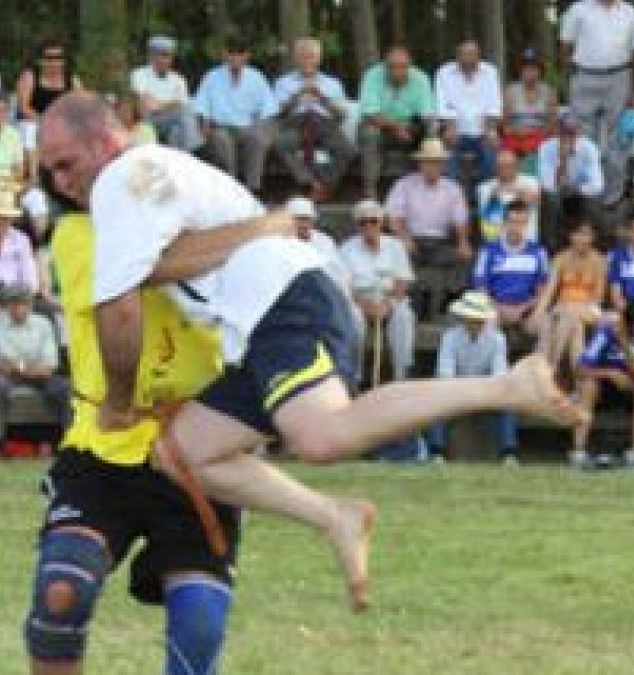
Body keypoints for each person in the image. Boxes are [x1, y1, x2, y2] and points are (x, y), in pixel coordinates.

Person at [38, 92, 580, 537]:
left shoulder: (120, 179)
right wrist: (264, 226)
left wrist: (116, 401)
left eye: (67, 164)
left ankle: (507, 385)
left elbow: (119, 311)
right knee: (186, 450)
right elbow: (175, 262)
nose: (61, 183)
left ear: (104, 140)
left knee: (322, 435)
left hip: (283, 297)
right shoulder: (156, 172)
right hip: (261, 314)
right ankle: (335, 518)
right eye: (51, 173)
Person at [23, 211, 375, 674]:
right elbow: (132, 280)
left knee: (200, 626)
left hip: (195, 447)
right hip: (105, 447)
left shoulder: (211, 225)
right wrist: (265, 227)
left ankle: (334, 516)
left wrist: (267, 235)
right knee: (62, 590)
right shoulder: (80, 231)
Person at [559, 0, 634, 205]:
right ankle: (587, 195)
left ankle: (613, 198)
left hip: (620, 77)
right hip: (584, 76)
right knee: (582, 140)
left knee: (619, 140)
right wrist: (572, 78)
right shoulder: (578, 9)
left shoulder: (631, 13)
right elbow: (565, 47)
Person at [428, 291, 519, 465]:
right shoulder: (450, 337)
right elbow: (445, 374)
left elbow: (500, 374)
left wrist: (483, 393)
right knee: (436, 398)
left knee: (508, 401)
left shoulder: (498, 339)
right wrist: (463, 393)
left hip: (487, 391)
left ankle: (508, 453)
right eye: (471, 318)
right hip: (455, 390)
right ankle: (437, 451)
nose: (475, 322)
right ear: (463, 318)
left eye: (478, 319)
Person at [572, 300, 634, 468]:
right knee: (587, 385)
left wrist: (624, 344)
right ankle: (578, 451)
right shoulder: (605, 332)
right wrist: (610, 373)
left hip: (633, 386)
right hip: (605, 388)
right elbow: (579, 369)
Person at [0, 283, 70, 453]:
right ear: (7, 305)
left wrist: (20, 366)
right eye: (13, 303)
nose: (17, 308)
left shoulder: (43, 323)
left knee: (63, 387)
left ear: (30, 305)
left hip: (41, 376)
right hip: (9, 377)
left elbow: (50, 365)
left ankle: (69, 439)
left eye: (22, 303)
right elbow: (0, 364)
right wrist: (27, 368)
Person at [340, 199, 417, 385]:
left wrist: (388, 304)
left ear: (381, 223)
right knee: (355, 320)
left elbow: (402, 280)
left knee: (404, 317)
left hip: (390, 298)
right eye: (363, 222)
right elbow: (344, 286)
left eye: (373, 221)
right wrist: (365, 305)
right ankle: (354, 376)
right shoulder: (346, 249)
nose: (369, 226)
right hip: (359, 301)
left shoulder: (395, 246)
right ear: (358, 225)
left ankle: (401, 376)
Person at [192, 38, 279, 193]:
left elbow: (268, 110)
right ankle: (231, 189)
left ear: (247, 56)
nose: (235, 58)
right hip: (220, 127)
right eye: (231, 53)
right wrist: (204, 124)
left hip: (248, 127)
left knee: (257, 139)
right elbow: (201, 105)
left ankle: (253, 188)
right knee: (222, 140)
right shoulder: (212, 76)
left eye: (240, 54)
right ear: (225, 55)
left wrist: (260, 128)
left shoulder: (256, 77)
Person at [274, 37, 355, 200]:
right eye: (303, 56)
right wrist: (296, 96)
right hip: (296, 123)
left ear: (319, 58)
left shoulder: (333, 83)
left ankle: (324, 185)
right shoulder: (283, 82)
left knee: (348, 150)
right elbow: (278, 114)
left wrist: (322, 98)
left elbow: (341, 116)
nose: (307, 60)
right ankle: (309, 182)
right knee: (281, 144)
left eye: (311, 56)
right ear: (296, 58)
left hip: (325, 124)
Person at [533, 220, 607, 381]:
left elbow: (598, 298)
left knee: (570, 314)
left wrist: (575, 307)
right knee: (573, 328)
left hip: (590, 309)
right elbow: (550, 290)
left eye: (586, 234)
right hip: (563, 308)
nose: (581, 239)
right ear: (570, 236)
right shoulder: (560, 258)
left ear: (593, 237)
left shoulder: (599, 260)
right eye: (578, 234)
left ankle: (551, 368)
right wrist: (538, 311)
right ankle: (578, 385)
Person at [358, 46, 436, 198]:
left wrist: (428, 128)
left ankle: (426, 186)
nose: (397, 72)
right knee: (369, 133)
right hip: (380, 126)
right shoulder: (372, 75)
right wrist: (396, 127)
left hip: (410, 127)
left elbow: (427, 113)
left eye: (402, 67)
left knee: (431, 134)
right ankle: (370, 190)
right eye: (392, 67)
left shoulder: (421, 78)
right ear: (384, 66)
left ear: (410, 66)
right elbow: (370, 113)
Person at [385, 138, 472, 271]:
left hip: (440, 243)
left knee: (465, 258)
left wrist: (463, 241)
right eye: (429, 162)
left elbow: (461, 219)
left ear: (443, 165)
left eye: (437, 162)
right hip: (412, 240)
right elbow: (393, 217)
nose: (433, 166)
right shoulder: (404, 185)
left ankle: (451, 292)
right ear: (420, 163)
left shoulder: (453, 188)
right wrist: (404, 238)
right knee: (400, 256)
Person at [472, 201, 550, 334]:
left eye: (521, 223)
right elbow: (481, 289)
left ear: (527, 225)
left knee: (547, 324)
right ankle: (493, 355)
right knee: (485, 323)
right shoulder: (488, 251)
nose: (516, 227)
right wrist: (499, 308)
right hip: (495, 309)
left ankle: (540, 355)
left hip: (526, 311)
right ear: (504, 223)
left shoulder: (538, 252)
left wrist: (524, 308)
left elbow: (542, 291)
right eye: (512, 222)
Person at [435, 38, 503, 183]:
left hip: (483, 131)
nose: (470, 58)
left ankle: (483, 193)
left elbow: (494, 105)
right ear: (457, 56)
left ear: (479, 55)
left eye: (473, 54)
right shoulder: (444, 72)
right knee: (446, 153)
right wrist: (450, 128)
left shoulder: (490, 71)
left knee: (492, 152)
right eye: (465, 54)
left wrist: (490, 129)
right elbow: (443, 105)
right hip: (455, 130)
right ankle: (451, 196)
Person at [537, 112, 604, 246]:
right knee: (550, 199)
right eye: (565, 132)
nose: (568, 137)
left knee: (594, 201)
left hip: (579, 194)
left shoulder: (589, 148)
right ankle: (551, 246)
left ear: (578, 133)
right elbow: (547, 185)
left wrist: (575, 190)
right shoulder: (546, 148)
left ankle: (592, 244)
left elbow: (597, 185)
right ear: (558, 132)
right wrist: (562, 161)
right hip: (557, 194)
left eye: (572, 133)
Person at [130, 35, 200, 151]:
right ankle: (195, 150)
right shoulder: (139, 74)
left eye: (167, 56)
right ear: (151, 56)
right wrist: (172, 103)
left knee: (177, 130)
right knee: (183, 114)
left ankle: (174, 163)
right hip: (149, 120)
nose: (164, 60)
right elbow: (147, 106)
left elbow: (184, 106)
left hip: (173, 120)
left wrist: (161, 104)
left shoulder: (179, 79)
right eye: (160, 55)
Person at [16, 39, 81, 155]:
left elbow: (80, 106)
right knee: (30, 131)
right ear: (41, 60)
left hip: (62, 124)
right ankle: (33, 171)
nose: (54, 62)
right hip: (34, 121)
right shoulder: (29, 77)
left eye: (59, 58)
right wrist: (45, 121)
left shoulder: (73, 80)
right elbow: (23, 107)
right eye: (49, 58)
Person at [501, 48, 558, 159]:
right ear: (520, 71)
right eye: (526, 68)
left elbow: (552, 122)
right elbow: (504, 122)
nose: (530, 72)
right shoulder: (510, 91)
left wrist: (535, 134)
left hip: (539, 136)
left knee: (544, 147)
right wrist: (516, 132)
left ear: (540, 71)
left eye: (533, 69)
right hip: (515, 136)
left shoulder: (549, 92)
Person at [476, 148, 541, 244]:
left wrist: (508, 189)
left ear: (517, 166)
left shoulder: (532, 182)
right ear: (495, 168)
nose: (505, 170)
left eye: (509, 165)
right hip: (498, 244)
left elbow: (533, 200)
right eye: (501, 166)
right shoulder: (484, 188)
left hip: (528, 242)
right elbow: (488, 220)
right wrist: (495, 198)